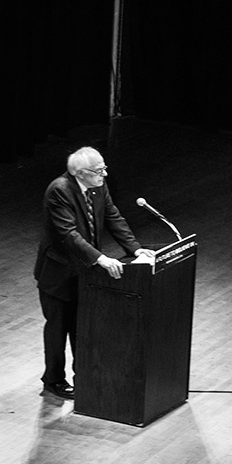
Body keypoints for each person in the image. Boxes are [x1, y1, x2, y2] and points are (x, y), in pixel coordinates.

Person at [34, 145, 147, 400]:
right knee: (58, 328)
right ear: (81, 173)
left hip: (86, 271)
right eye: (99, 170)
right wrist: (101, 258)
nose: (104, 174)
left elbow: (113, 217)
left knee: (83, 327)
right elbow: (68, 235)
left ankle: (84, 376)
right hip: (58, 273)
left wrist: (136, 250)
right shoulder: (59, 191)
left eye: (104, 169)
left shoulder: (98, 187)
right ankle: (53, 380)